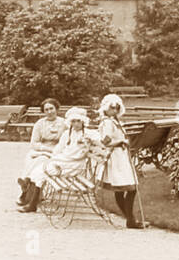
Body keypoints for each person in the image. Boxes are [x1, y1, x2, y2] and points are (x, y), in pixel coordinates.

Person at [20, 107, 91, 213]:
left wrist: (89, 144)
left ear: (83, 121)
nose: (76, 124)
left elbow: (100, 144)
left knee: (43, 172)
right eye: (73, 121)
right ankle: (32, 201)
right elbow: (58, 149)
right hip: (64, 162)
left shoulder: (89, 134)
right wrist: (52, 157)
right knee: (40, 170)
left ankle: (31, 201)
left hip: (75, 165)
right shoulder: (67, 134)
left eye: (78, 121)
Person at [94, 93, 142, 228]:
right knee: (130, 188)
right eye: (112, 108)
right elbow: (105, 142)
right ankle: (130, 219)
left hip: (121, 156)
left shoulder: (115, 121)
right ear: (105, 108)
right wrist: (121, 141)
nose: (114, 110)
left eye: (116, 108)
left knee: (124, 189)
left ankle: (130, 219)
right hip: (115, 158)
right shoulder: (108, 123)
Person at [17, 98, 66, 207]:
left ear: (56, 109)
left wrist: (54, 150)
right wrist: (45, 148)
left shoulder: (64, 123)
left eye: (51, 108)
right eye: (46, 110)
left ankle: (25, 187)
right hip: (41, 149)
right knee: (30, 158)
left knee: (41, 160)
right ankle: (28, 187)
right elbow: (34, 143)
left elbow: (67, 141)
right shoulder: (40, 123)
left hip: (57, 150)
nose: (49, 112)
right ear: (44, 112)